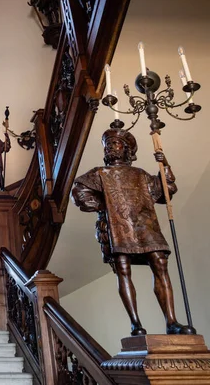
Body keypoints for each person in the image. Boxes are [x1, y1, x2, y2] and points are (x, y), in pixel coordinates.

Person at [71, 128, 193, 336]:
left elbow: (166, 191)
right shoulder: (99, 173)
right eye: (107, 145)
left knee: (160, 263)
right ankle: (135, 323)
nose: (110, 148)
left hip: (145, 224)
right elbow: (79, 192)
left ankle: (171, 321)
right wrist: (104, 206)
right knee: (123, 267)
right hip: (118, 226)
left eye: (115, 144)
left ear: (126, 149)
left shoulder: (141, 175)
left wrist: (165, 166)